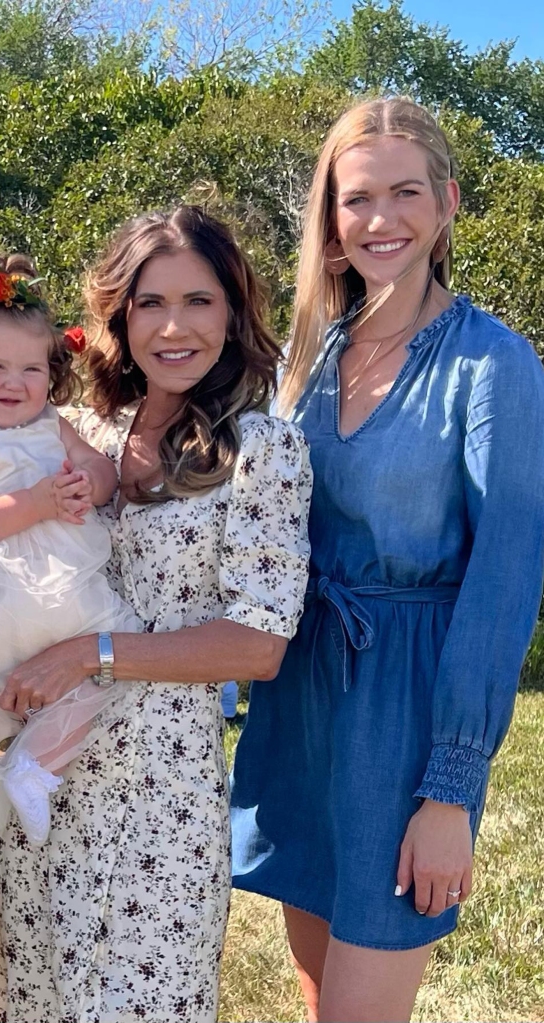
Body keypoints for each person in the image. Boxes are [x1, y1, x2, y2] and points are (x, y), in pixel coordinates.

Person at [230, 97, 544, 1023]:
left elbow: (505, 577)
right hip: (300, 703)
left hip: (402, 712)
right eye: (357, 197)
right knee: (322, 995)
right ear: (331, 217)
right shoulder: (306, 355)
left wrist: (450, 788)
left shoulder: (494, 363)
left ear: (446, 203)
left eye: (406, 193)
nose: (382, 219)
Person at [0, 205, 313, 1023]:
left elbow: (260, 642)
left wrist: (89, 652)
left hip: (159, 798)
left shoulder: (263, 449)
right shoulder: (88, 430)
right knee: (34, 1002)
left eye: (199, 301)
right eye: (150, 303)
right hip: (49, 787)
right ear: (119, 314)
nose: (175, 326)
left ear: (234, 311)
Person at [0, 255, 142, 852]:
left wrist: (89, 484)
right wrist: (38, 502)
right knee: (112, 641)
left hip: (48, 594)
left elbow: (102, 470)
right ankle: (7, 790)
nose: (15, 382)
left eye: (31, 368)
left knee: (108, 664)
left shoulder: (51, 424)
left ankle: (28, 772)